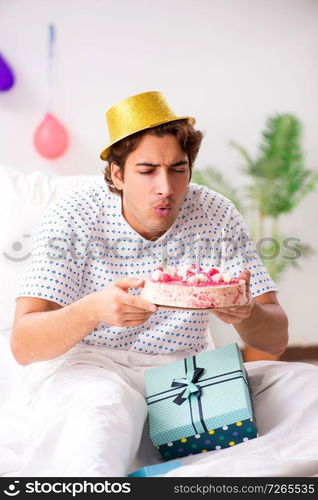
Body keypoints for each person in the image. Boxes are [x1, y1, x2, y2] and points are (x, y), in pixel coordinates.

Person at [10, 90, 288, 476]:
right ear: (117, 174)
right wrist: (91, 310)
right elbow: (23, 345)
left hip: (183, 370)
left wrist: (246, 312)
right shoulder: (73, 215)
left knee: (302, 387)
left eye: (178, 168)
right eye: (147, 171)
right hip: (90, 366)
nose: (166, 187)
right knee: (101, 414)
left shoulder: (216, 212)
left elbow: (275, 339)